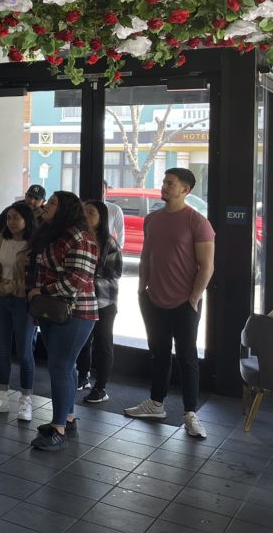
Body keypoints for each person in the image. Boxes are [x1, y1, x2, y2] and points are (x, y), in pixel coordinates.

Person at [125, 168, 215, 439]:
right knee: (159, 353)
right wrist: (142, 289)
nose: (163, 186)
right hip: (153, 299)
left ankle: (190, 414)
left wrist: (193, 298)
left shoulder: (198, 222)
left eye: (170, 183)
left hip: (184, 303)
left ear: (185, 190)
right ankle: (156, 403)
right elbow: (145, 257)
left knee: (187, 357)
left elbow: (207, 266)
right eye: (164, 182)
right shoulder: (152, 219)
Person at [27, 191, 99, 451]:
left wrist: (42, 291)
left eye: (54, 202)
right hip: (52, 310)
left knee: (60, 366)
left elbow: (76, 281)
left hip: (77, 312)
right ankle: (66, 419)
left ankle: (57, 429)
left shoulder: (80, 237)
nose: (47, 205)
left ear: (66, 209)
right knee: (64, 368)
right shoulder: (52, 233)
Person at [0, 203, 37, 421]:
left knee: (24, 352)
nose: (12, 222)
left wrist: (11, 287)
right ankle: (1, 396)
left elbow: (32, 275)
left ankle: (26, 399)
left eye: (16, 218)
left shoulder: (34, 244)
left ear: (27, 220)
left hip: (23, 300)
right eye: (9, 218)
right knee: (3, 350)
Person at [77, 200, 121, 403]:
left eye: (91, 212)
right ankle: (82, 376)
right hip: (81, 300)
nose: (86, 215)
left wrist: (88, 271)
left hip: (104, 301)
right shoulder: (78, 238)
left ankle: (101, 387)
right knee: (82, 341)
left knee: (103, 343)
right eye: (84, 211)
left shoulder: (109, 242)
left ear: (101, 217)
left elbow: (116, 271)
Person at [102, 181, 126, 249]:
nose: (100, 194)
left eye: (102, 191)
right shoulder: (86, 208)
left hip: (106, 248)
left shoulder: (115, 210)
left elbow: (120, 235)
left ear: (106, 192)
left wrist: (115, 251)